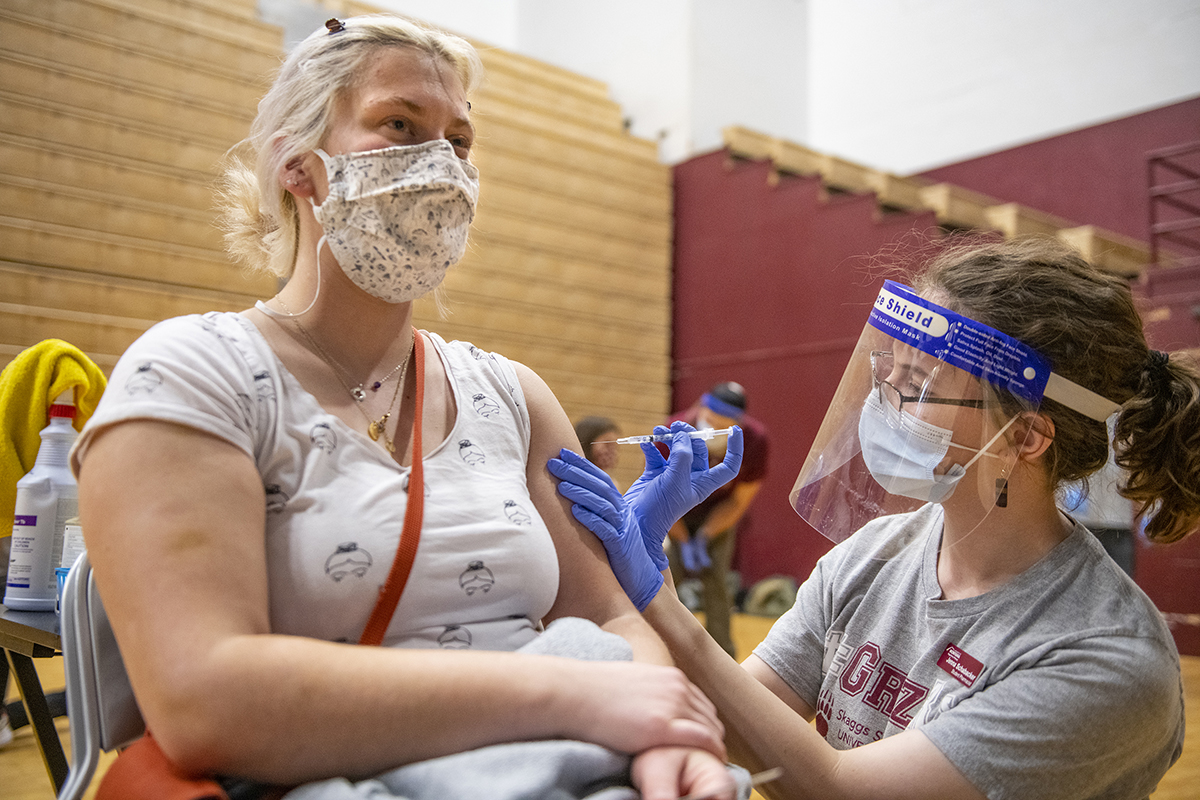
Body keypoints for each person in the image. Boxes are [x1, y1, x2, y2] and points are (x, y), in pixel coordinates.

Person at [69, 15, 744, 800]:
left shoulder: (513, 395)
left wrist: (668, 741)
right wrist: (578, 694)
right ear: (300, 166)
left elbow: (613, 623)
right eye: (400, 124)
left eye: (459, 141)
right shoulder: (195, 371)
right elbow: (202, 700)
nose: (441, 163)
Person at [551, 236, 1199, 800]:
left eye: (917, 384)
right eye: (887, 370)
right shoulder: (874, 554)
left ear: (1025, 436)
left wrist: (657, 601)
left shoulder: (1107, 661)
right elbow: (731, 723)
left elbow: (837, 789)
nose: (885, 399)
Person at [665, 382, 768, 657]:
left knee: (717, 581)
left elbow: (738, 501)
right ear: (701, 409)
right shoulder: (672, 431)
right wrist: (684, 540)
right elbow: (659, 493)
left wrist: (706, 536)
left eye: (721, 424)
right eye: (709, 420)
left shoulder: (755, 441)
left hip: (718, 514)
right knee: (664, 576)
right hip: (673, 511)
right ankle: (659, 644)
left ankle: (722, 656)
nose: (712, 427)